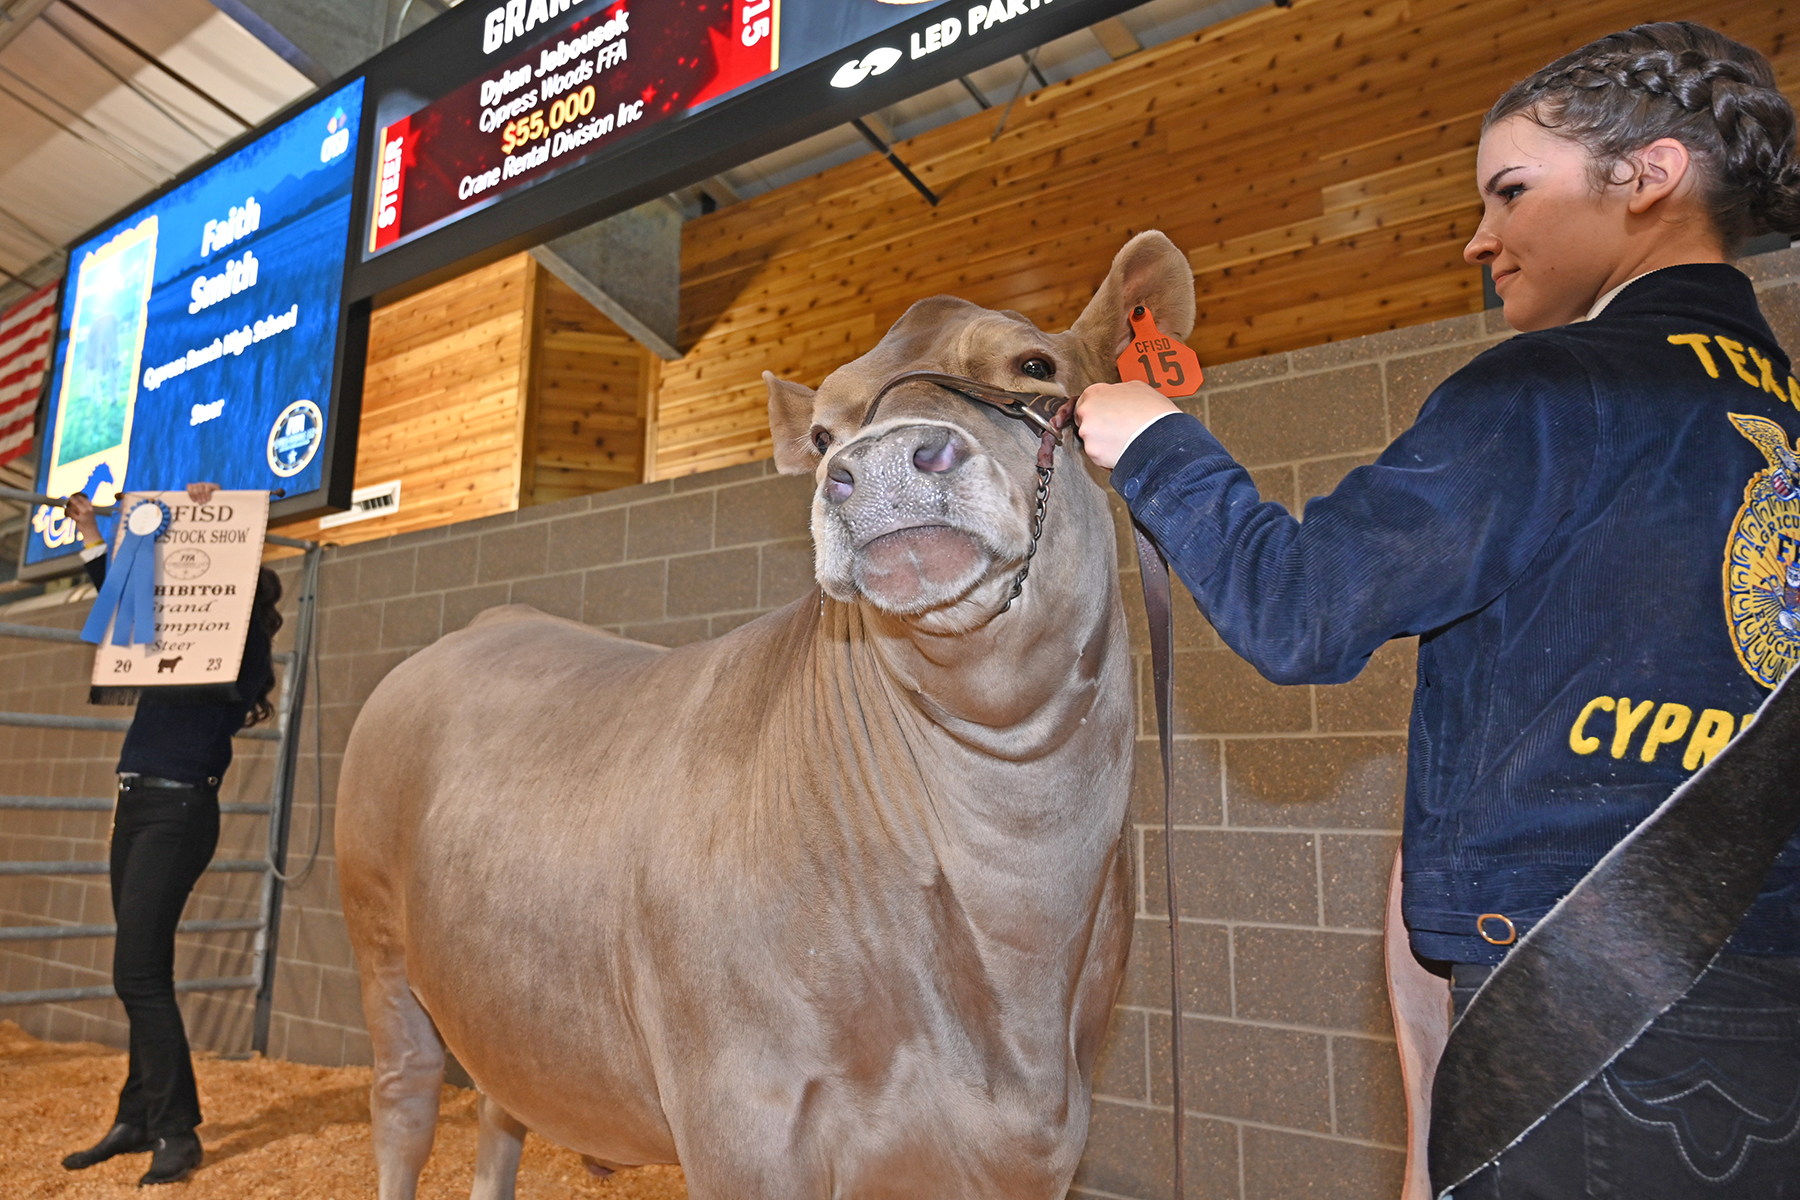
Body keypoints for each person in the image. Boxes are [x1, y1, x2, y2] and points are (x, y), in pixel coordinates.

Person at [1075, 21, 1800, 1198]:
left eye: (1512, 191)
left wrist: (1161, 452)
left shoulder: (1554, 388)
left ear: (1648, 176)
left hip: (1592, 1047)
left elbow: (1302, 610)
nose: (1481, 237)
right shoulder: (1777, 420)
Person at [58, 482, 280, 1186]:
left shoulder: (239, 654)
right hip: (135, 807)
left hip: (179, 813)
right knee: (140, 965)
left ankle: (177, 1132)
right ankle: (138, 1116)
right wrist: (95, 530)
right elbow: (123, 596)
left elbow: (211, 578)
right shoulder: (167, 631)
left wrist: (203, 520)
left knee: (138, 972)